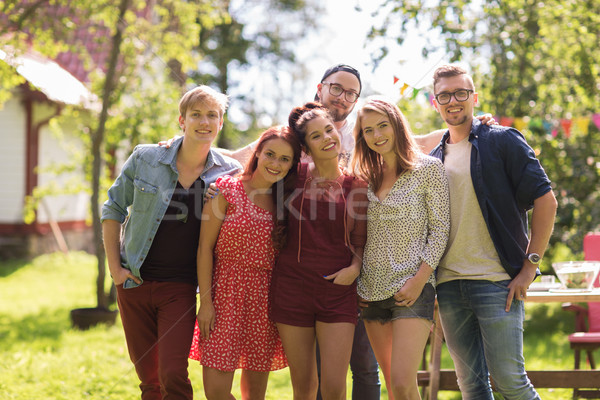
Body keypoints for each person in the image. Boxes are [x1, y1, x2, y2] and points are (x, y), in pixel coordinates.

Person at [101, 85, 242, 400]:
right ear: (182, 120)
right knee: (149, 380)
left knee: (173, 373)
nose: (204, 122)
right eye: (196, 115)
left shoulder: (229, 173)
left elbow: (262, 161)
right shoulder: (147, 157)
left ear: (221, 123)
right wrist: (116, 270)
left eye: (212, 116)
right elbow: (112, 208)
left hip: (180, 286)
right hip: (134, 281)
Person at [429, 65, 558, 399]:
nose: (453, 100)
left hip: (497, 282)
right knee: (471, 385)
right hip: (449, 286)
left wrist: (530, 266)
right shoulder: (432, 159)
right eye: (445, 95)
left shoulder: (501, 140)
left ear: (474, 97)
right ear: (435, 102)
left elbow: (547, 201)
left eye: (460, 92)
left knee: (510, 383)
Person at [189, 126, 301, 399]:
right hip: (223, 295)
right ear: (257, 153)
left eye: (284, 159)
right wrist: (206, 303)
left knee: (255, 395)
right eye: (270, 154)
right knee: (216, 392)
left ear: (292, 165)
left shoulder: (284, 204)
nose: (275, 163)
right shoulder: (226, 189)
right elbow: (205, 248)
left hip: (264, 301)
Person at [351, 97, 450, 400]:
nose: (377, 135)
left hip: (412, 287)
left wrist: (419, 281)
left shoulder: (428, 169)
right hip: (370, 290)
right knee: (393, 386)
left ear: (396, 124)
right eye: (369, 130)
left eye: (383, 126)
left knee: (404, 382)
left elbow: (441, 230)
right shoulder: (364, 176)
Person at [269, 103, 368, 400]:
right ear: (305, 148)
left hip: (337, 292)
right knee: (304, 387)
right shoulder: (290, 175)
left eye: (329, 130)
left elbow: (360, 240)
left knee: (335, 388)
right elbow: (254, 165)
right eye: (315, 136)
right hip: (291, 289)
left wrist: (354, 268)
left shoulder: (356, 184)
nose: (327, 138)